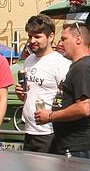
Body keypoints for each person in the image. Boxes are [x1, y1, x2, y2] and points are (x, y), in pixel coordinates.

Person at [35, 21, 90, 160]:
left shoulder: (83, 68)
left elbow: (84, 108)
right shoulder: (77, 66)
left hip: (84, 148)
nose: (60, 43)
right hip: (74, 146)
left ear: (78, 39)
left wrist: (50, 116)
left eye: (64, 39)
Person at [15, 14, 70, 153]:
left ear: (50, 37)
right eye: (30, 36)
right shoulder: (29, 60)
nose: (32, 40)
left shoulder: (60, 63)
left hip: (49, 133)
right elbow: (32, 93)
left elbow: (67, 99)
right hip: (29, 130)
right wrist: (22, 94)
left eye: (37, 36)